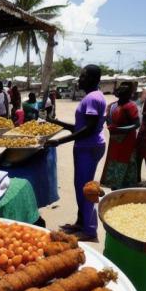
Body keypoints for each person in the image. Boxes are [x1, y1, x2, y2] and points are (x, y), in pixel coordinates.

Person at [46, 65, 106, 241]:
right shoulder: (92, 97)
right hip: (87, 146)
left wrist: (59, 141)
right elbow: (81, 127)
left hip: (88, 147)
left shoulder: (92, 98)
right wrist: (58, 123)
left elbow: (88, 130)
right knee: (80, 187)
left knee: (87, 190)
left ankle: (89, 231)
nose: (79, 79)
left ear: (94, 79)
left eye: (83, 76)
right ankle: (81, 222)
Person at [100, 82, 140, 190]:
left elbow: (136, 124)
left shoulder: (131, 106)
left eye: (125, 92)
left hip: (127, 139)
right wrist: (111, 128)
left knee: (126, 159)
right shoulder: (112, 105)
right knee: (114, 159)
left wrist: (119, 130)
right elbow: (108, 120)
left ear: (129, 94)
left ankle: (125, 185)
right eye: (120, 92)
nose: (121, 94)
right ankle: (114, 183)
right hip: (115, 139)